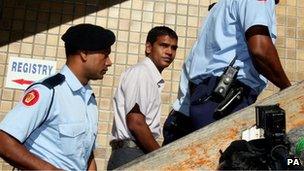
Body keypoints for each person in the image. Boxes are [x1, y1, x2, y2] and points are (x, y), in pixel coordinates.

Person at [163, 0, 291, 145]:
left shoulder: (219, 8)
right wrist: (287, 88)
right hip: (224, 100)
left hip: (197, 105)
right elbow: (260, 48)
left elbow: (193, 65)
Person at [0, 24, 115, 170]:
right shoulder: (48, 91)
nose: (109, 62)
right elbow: (4, 142)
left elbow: (85, 154)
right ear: (84, 54)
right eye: (105, 54)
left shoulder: (88, 98)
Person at [107, 26, 178, 170]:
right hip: (131, 154)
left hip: (137, 152)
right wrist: (162, 157)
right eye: (163, 45)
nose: (169, 52)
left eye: (173, 48)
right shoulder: (142, 73)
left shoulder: (150, 76)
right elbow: (136, 122)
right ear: (148, 47)